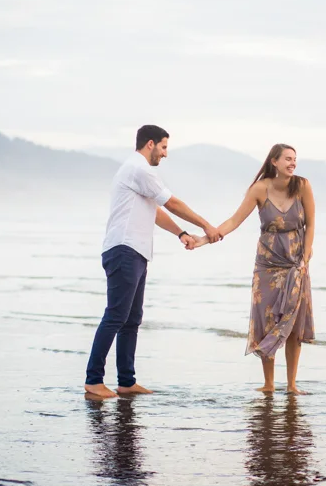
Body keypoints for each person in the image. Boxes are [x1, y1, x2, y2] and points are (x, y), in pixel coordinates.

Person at [84, 125, 222, 399]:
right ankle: (93, 380)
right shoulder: (140, 169)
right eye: (164, 147)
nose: (165, 154)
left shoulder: (139, 173)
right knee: (116, 316)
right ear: (150, 144)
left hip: (135, 251)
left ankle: (126, 381)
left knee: (131, 319)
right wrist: (207, 225)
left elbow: (156, 212)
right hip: (124, 249)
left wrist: (181, 233)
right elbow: (172, 203)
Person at [214, 144, 316, 394]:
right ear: (274, 161)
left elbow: (311, 224)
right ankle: (269, 384)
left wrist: (306, 256)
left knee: (293, 322)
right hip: (267, 265)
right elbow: (235, 220)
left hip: (295, 263)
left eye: (295, 159)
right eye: (288, 159)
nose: (293, 163)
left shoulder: (302, 186)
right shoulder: (259, 189)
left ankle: (291, 385)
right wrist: (211, 235)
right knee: (267, 321)